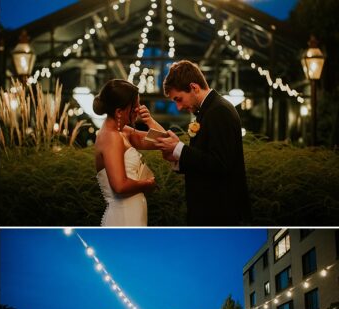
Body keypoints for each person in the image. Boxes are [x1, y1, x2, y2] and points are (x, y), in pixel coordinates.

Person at [153, 60, 252, 225]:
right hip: (210, 209)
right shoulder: (208, 110)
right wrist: (176, 157)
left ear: (194, 87)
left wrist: (179, 148)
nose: (178, 107)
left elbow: (220, 163)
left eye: (179, 99)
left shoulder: (219, 111)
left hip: (219, 210)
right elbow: (205, 158)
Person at [92, 79, 164, 226]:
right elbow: (119, 186)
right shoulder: (110, 137)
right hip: (123, 217)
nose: (138, 109)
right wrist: (147, 184)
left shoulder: (123, 132)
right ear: (119, 111)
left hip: (132, 215)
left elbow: (163, 140)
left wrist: (149, 120)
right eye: (135, 106)